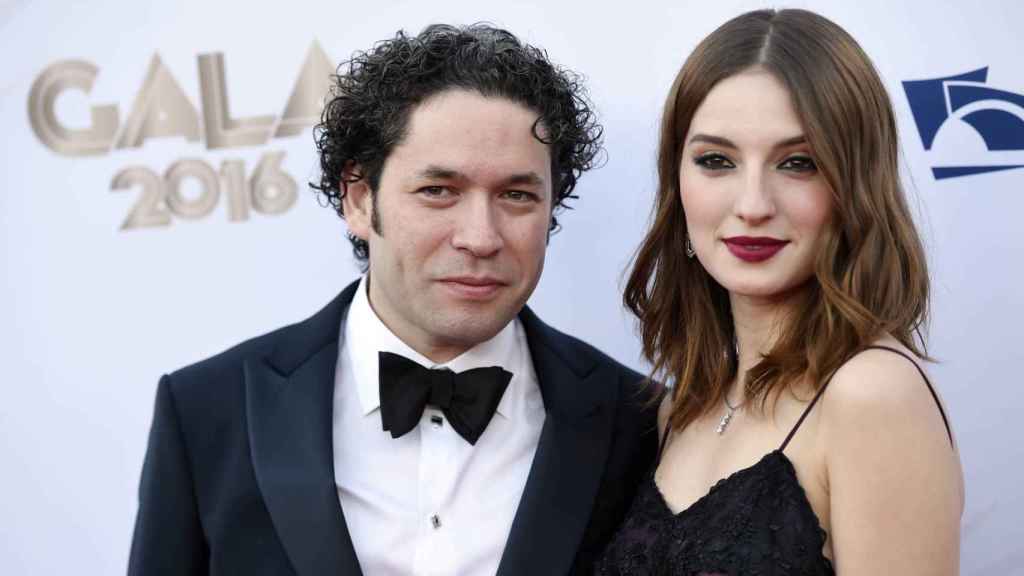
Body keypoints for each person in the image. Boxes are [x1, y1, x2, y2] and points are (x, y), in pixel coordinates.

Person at [127, 24, 659, 576]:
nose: (480, 236)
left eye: (517, 195)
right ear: (359, 200)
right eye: (438, 191)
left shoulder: (639, 421)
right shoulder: (206, 411)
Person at [595, 8, 963, 575]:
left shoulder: (872, 394)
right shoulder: (683, 407)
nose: (752, 204)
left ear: (855, 186)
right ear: (679, 182)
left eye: (798, 163)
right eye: (716, 160)